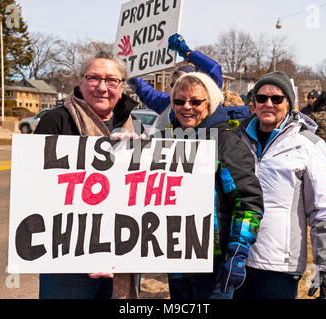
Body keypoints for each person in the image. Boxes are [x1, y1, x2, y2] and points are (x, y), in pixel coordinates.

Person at [34, 51, 142, 299]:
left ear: (121, 86)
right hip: (68, 258)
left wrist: (140, 152)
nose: (102, 87)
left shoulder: (133, 124)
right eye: (94, 78)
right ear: (81, 82)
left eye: (111, 80)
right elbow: (36, 185)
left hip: (121, 252)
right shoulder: (56, 121)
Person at [233, 71, 326, 299]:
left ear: (290, 104)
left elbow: (324, 211)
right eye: (261, 98)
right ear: (253, 103)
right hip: (236, 259)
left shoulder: (308, 146)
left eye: (277, 99)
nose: (268, 104)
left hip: (279, 266)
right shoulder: (235, 140)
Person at [161, 71, 264, 299]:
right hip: (177, 260)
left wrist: (238, 251)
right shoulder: (166, 141)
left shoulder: (226, 141)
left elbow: (248, 202)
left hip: (213, 266)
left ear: (210, 104)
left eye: (195, 101)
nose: (186, 107)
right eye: (179, 101)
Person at [128, 33, 249, 130]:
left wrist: (187, 52)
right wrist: (128, 72)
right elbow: (147, 93)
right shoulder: (169, 105)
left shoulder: (212, 99)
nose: (186, 106)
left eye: (195, 101)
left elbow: (213, 69)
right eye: (173, 85)